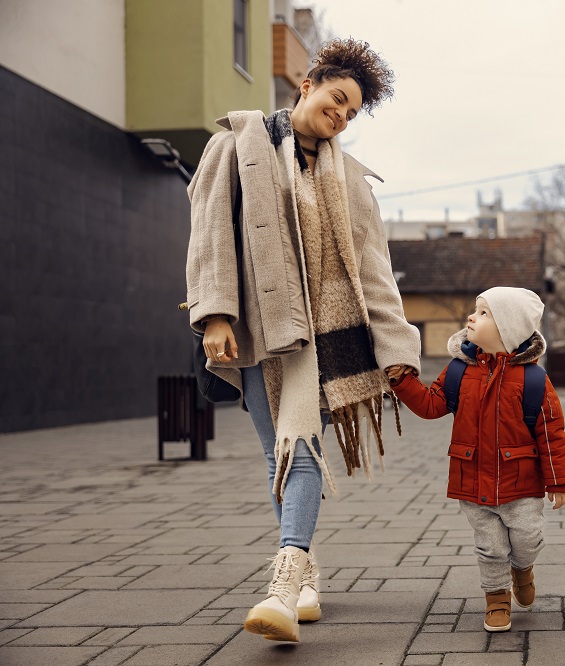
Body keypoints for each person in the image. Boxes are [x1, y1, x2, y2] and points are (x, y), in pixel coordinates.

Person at [185, 38, 420, 643]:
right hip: (260, 331)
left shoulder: (350, 177)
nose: (339, 116)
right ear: (310, 81)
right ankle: (309, 575)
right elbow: (210, 236)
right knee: (278, 455)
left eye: (351, 113)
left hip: (327, 339)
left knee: (302, 448)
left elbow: (373, 266)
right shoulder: (235, 145)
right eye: (337, 100)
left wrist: (397, 351)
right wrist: (215, 316)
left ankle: (284, 587)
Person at [389, 287, 565, 632]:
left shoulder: (533, 379)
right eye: (475, 310)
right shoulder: (460, 371)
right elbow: (431, 405)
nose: (472, 317)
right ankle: (496, 599)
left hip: (522, 484)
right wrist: (402, 381)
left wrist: (558, 480)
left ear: (508, 329)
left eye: (484, 313)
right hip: (473, 480)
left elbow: (552, 433)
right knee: (490, 548)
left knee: (527, 538)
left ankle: (522, 568)